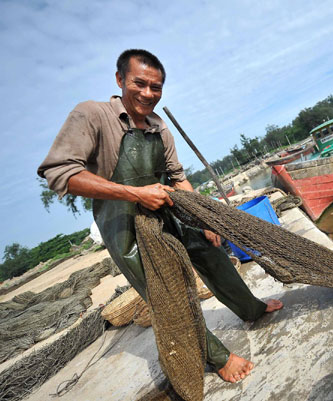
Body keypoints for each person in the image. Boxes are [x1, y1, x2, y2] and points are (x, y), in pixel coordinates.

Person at [38, 49, 282, 383]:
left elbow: (178, 177)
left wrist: (207, 219)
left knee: (211, 253)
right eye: (140, 83)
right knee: (170, 294)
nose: (148, 94)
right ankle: (218, 357)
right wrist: (136, 193)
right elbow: (61, 174)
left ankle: (250, 308)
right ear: (120, 79)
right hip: (126, 226)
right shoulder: (92, 115)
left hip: (170, 209)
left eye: (157, 87)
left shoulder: (158, 127)